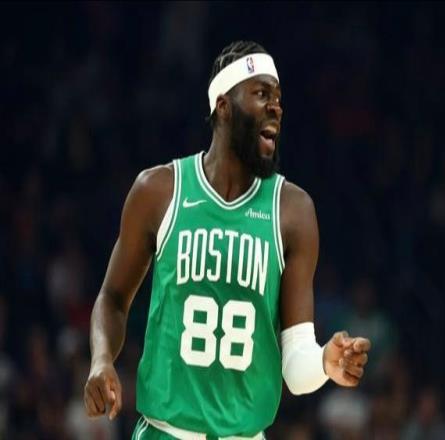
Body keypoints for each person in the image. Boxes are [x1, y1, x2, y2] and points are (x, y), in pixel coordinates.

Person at [84, 40, 371, 440]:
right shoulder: (159, 190)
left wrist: (325, 362)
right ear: (223, 106)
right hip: (164, 432)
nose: (276, 107)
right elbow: (112, 298)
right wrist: (101, 359)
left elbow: (295, 363)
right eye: (262, 94)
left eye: (279, 98)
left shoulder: (293, 211)